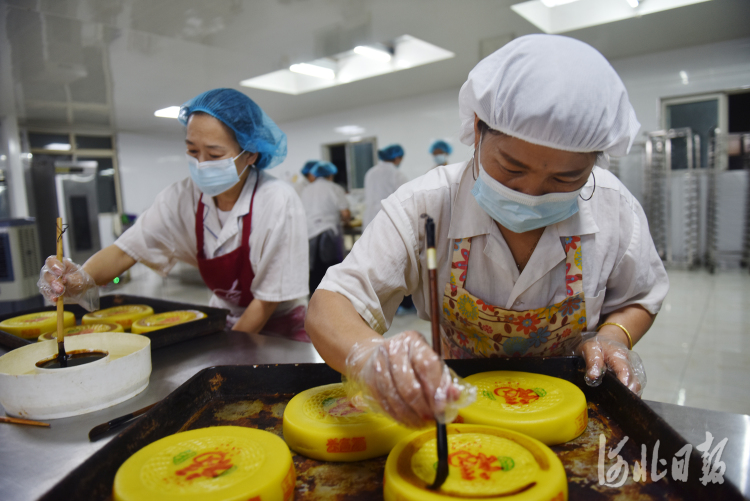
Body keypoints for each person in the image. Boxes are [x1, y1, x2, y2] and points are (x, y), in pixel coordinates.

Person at [305, 35, 668, 428]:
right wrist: (371, 357)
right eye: (511, 169)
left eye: (566, 177)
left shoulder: (615, 208)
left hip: (564, 415)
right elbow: (333, 302)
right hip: (456, 410)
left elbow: (640, 297)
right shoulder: (426, 204)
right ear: (478, 129)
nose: (531, 194)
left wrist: (614, 336)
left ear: (595, 163)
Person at [39, 88, 310, 341]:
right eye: (192, 151)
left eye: (214, 155)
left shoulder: (277, 201)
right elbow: (125, 250)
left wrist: (232, 350)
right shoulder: (182, 198)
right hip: (228, 319)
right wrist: (79, 279)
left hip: (282, 325)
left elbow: (267, 301)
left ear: (250, 154)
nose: (201, 164)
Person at [300, 161, 351, 293]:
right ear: (331, 175)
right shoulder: (335, 188)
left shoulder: (306, 189)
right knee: (331, 271)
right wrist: (345, 220)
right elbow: (345, 213)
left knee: (314, 271)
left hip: (309, 234)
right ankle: (332, 303)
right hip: (328, 234)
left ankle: (314, 304)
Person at [362, 144, 408, 228]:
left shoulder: (370, 172)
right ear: (397, 158)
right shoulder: (397, 174)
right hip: (388, 220)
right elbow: (405, 200)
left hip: (369, 219)